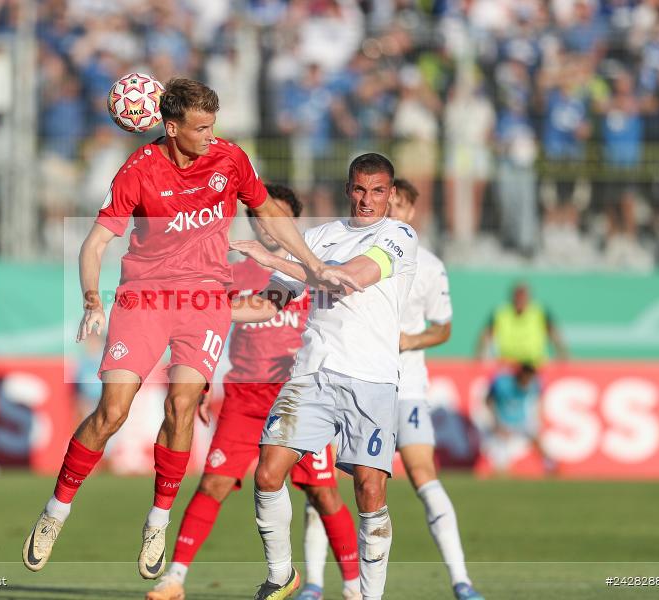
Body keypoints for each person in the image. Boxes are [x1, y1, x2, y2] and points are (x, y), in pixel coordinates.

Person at [21, 78, 355, 579]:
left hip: (204, 301)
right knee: (112, 411)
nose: (210, 135)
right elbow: (93, 244)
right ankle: (55, 513)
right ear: (171, 127)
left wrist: (311, 264)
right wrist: (92, 298)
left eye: (213, 125)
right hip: (144, 298)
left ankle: (158, 520)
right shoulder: (138, 171)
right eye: (200, 128)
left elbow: (269, 212)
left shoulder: (230, 159)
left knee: (181, 405)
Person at [147, 184, 361, 600]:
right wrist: (201, 380)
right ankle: (173, 579)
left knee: (323, 491)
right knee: (213, 485)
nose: (267, 225)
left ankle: (354, 589)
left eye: (276, 217)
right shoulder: (232, 273)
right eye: (260, 217)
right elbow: (206, 328)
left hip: (298, 399)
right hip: (244, 399)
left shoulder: (312, 270)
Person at [231, 153, 417, 600]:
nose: (367, 200)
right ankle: (281, 575)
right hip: (313, 373)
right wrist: (199, 315)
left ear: (390, 195)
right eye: (359, 189)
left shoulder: (398, 235)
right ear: (347, 188)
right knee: (268, 472)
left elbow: (345, 280)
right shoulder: (320, 237)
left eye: (377, 191)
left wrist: (266, 254)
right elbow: (266, 303)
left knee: (370, 491)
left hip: (371, 379)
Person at [296, 179, 484, 600]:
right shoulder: (344, 248)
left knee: (422, 476)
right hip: (349, 376)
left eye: (397, 203)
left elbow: (444, 327)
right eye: (385, 200)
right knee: (321, 480)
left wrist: (409, 341)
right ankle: (313, 582)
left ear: (410, 212)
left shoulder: (429, 265)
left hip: (406, 386)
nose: (390, 209)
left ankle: (461, 580)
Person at [475, 282, 569, 368]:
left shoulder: (540, 312)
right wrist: (480, 359)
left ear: (529, 297)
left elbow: (555, 335)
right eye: (518, 295)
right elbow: (486, 336)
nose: (520, 298)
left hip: (534, 366)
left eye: (523, 295)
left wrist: (563, 357)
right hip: (507, 366)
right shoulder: (501, 312)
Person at [485, 362, 549, 473]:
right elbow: (488, 400)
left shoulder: (534, 384)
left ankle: (549, 465)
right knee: (501, 443)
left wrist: (539, 418)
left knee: (537, 437)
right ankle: (502, 469)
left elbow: (539, 399)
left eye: (530, 378)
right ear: (520, 375)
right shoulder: (502, 384)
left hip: (522, 421)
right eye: (527, 377)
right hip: (503, 421)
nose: (528, 381)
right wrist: (495, 420)